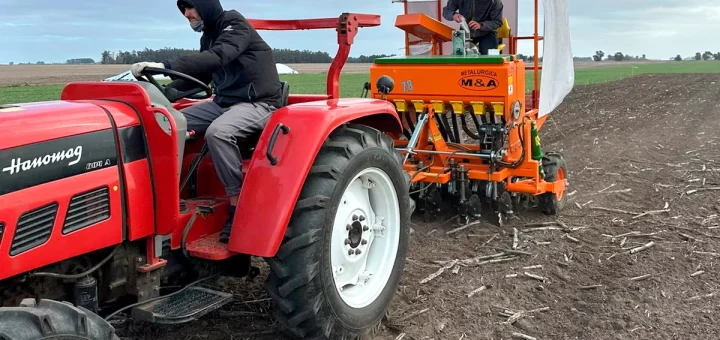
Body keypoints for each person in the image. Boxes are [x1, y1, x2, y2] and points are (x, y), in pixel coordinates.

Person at [131, 0, 283, 244]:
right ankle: (164, 194)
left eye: (190, 8)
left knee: (219, 132)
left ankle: (238, 205)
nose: (187, 15)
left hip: (260, 103)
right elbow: (201, 74)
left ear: (206, 6)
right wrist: (166, 91)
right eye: (183, 11)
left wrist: (165, 65)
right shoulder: (209, 36)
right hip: (224, 102)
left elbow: (219, 56)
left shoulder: (235, 24)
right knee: (168, 124)